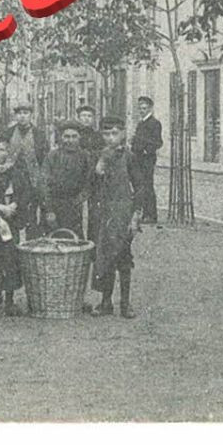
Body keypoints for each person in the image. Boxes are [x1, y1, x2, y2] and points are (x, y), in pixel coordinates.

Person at [88, 116, 141, 318]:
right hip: (102, 214)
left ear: (123, 134)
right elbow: (90, 185)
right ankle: (105, 302)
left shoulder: (129, 157)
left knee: (123, 257)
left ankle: (125, 304)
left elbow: (141, 187)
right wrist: (97, 170)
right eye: (106, 134)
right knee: (103, 258)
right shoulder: (98, 156)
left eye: (115, 133)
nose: (110, 138)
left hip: (122, 214)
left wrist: (135, 216)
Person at [0, 133, 33, 315]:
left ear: (8, 151)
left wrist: (15, 205)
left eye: (2, 149)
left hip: (11, 218)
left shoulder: (16, 171)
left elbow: (25, 191)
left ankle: (10, 300)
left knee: (10, 259)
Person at [40, 122, 89, 236]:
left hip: (74, 207)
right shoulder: (52, 156)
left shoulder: (85, 157)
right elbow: (43, 183)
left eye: (74, 136)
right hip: (53, 204)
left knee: (74, 240)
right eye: (66, 136)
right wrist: (49, 210)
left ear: (79, 138)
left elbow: (89, 182)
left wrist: (78, 200)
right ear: (61, 138)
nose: (70, 140)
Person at [128, 96, 163, 227]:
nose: (141, 111)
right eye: (140, 108)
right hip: (137, 158)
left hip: (147, 159)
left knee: (147, 185)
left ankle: (151, 214)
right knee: (140, 185)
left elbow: (158, 142)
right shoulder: (141, 123)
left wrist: (145, 149)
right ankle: (143, 213)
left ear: (150, 108)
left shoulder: (154, 123)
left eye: (144, 108)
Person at [6, 104, 48, 214]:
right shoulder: (8, 133)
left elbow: (44, 157)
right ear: (15, 116)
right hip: (13, 177)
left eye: (25, 113)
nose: (22, 116)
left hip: (32, 178)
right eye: (19, 113)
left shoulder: (39, 135)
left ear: (31, 115)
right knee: (13, 209)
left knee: (31, 211)